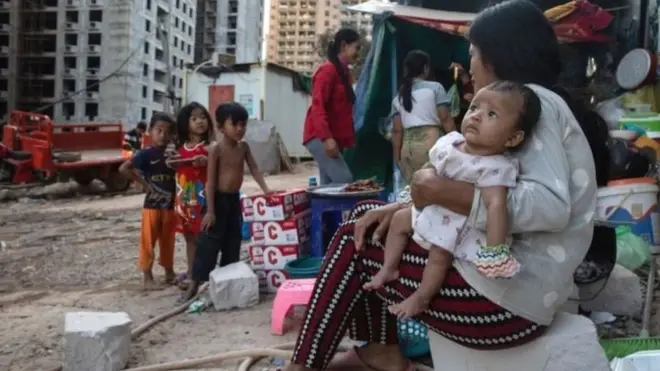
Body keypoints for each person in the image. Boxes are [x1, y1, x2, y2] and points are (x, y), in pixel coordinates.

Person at [283, 1, 611, 370]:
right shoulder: (520, 109)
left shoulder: (532, 106)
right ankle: (381, 351)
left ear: (496, 58)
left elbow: (550, 207)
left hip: (505, 304)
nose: (469, 66)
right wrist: (402, 204)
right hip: (510, 293)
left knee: (350, 240)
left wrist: (441, 192)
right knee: (368, 218)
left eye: (472, 54)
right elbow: (472, 178)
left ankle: (303, 367)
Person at [368, 81, 541, 320]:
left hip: (456, 223)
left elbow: (495, 206)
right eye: (474, 108)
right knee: (399, 219)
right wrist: (410, 195)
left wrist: (495, 250)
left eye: (491, 114)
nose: (477, 116)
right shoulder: (449, 143)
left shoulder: (496, 168)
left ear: (512, 138)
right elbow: (428, 169)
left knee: (440, 253)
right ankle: (389, 268)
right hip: (432, 207)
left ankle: (422, 296)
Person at [181, 102, 271, 301]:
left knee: (233, 242)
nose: (240, 129)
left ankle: (226, 286)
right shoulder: (216, 150)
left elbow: (255, 169)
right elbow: (210, 183)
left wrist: (266, 190)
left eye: (243, 124)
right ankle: (193, 286)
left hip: (233, 200)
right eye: (235, 125)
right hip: (217, 201)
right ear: (221, 127)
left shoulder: (243, 147)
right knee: (208, 244)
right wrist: (210, 211)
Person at [119, 113, 178, 290]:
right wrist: (144, 184)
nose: (163, 135)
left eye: (167, 132)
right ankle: (148, 277)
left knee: (168, 240)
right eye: (158, 130)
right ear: (150, 132)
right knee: (148, 241)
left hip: (170, 206)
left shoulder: (172, 155)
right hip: (151, 206)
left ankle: (169, 273)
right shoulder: (145, 154)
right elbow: (123, 168)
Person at [303, 28, 361, 185]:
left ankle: (320, 210)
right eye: (357, 48)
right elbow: (318, 106)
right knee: (344, 180)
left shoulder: (344, 73)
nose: (358, 53)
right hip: (320, 136)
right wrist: (326, 138)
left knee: (328, 186)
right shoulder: (327, 71)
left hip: (332, 138)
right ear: (344, 45)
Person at [167, 102, 214, 290]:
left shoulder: (210, 147)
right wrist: (172, 162)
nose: (200, 122)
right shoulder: (180, 148)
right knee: (189, 237)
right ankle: (191, 271)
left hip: (204, 198)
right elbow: (175, 168)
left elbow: (220, 165)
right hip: (185, 199)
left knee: (203, 237)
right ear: (185, 123)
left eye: (203, 117)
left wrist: (207, 161)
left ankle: (202, 274)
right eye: (194, 118)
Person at [391, 50, 456, 184]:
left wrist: (396, 158)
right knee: (434, 189)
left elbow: (397, 131)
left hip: (407, 149)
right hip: (431, 145)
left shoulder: (398, 97)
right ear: (425, 68)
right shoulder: (435, 88)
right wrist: (457, 142)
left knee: (414, 193)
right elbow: (445, 119)